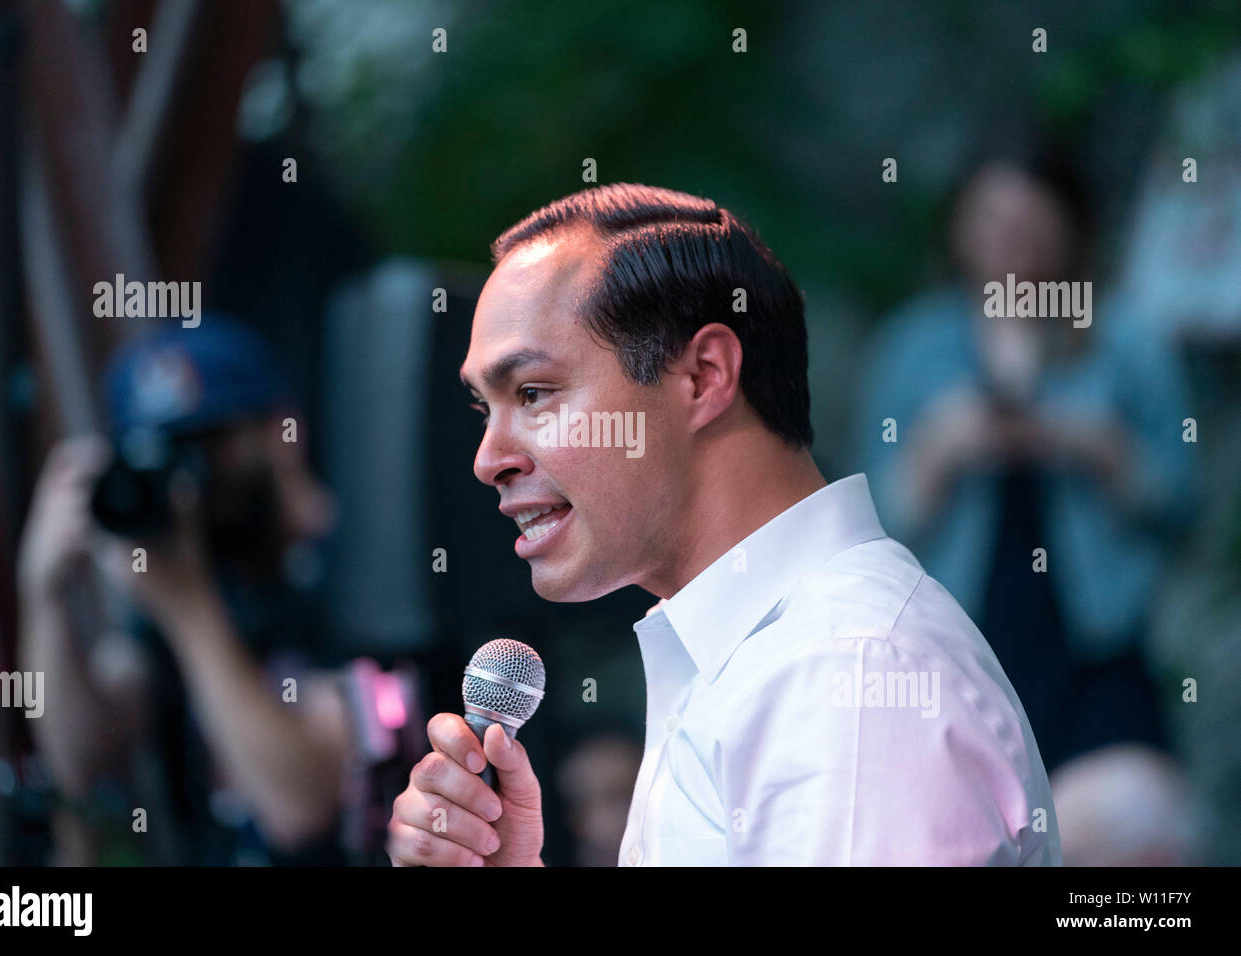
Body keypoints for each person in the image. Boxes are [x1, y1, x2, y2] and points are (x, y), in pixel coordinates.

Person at [386, 182, 1061, 866]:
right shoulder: (769, 658)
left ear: (705, 376)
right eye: (485, 410)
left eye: (533, 393)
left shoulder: (842, 677)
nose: (487, 460)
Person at [18, 316, 420, 865]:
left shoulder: (364, 571)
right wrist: (45, 595)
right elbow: (82, 759)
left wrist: (189, 611)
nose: (195, 480)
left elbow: (300, 807)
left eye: (210, 446)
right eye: (166, 456)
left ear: (284, 431)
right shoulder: (201, 581)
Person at [854, 144, 1195, 773]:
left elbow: (1178, 503)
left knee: (1123, 823)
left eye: (1030, 224)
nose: (1008, 242)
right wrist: (939, 451)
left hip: (1099, 640)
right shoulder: (915, 347)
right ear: (957, 230)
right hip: (952, 645)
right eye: (989, 221)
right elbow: (869, 531)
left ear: (1069, 228)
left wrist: (1101, 449)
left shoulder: (1125, 340)